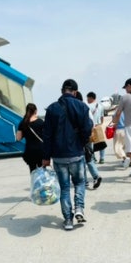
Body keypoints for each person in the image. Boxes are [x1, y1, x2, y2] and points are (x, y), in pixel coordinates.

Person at [42, 79, 94, 231]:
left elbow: (47, 135)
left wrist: (46, 157)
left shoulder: (52, 109)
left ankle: (68, 220)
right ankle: (79, 208)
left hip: (58, 156)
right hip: (76, 153)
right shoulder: (82, 106)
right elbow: (87, 129)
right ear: (75, 92)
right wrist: (81, 141)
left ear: (62, 91)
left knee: (64, 188)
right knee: (79, 183)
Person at [75, 91, 102, 190]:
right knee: (89, 158)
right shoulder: (86, 107)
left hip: (79, 138)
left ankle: (85, 181)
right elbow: (92, 123)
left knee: (80, 161)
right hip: (88, 137)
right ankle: (96, 176)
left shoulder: (76, 108)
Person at [16, 103, 45, 172]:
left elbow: (18, 138)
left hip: (30, 151)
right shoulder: (40, 122)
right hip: (40, 150)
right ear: (35, 111)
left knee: (33, 171)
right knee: (43, 172)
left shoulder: (23, 123)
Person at [87, 91, 106, 163]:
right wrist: (101, 124)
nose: (87, 100)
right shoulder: (100, 106)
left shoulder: (88, 106)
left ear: (91, 98)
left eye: (88, 98)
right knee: (101, 142)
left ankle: (93, 158)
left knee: (92, 143)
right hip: (98, 126)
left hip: (91, 126)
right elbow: (102, 117)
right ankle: (102, 158)